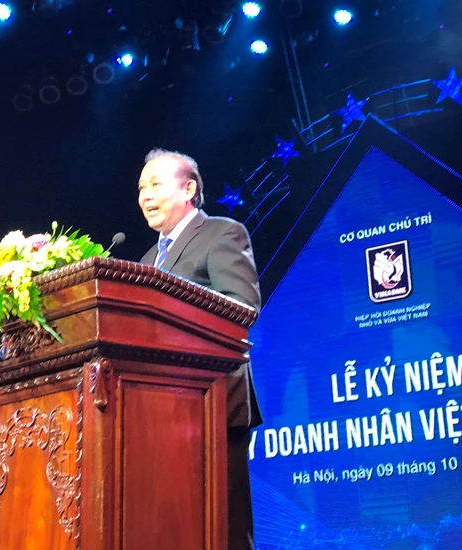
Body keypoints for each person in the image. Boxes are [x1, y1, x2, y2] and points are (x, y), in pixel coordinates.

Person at [137, 148, 262, 550]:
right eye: (141, 188)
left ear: (188, 188)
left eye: (155, 184)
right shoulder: (143, 262)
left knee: (223, 527)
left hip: (213, 401)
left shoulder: (222, 233)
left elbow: (242, 307)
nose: (144, 196)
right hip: (156, 410)